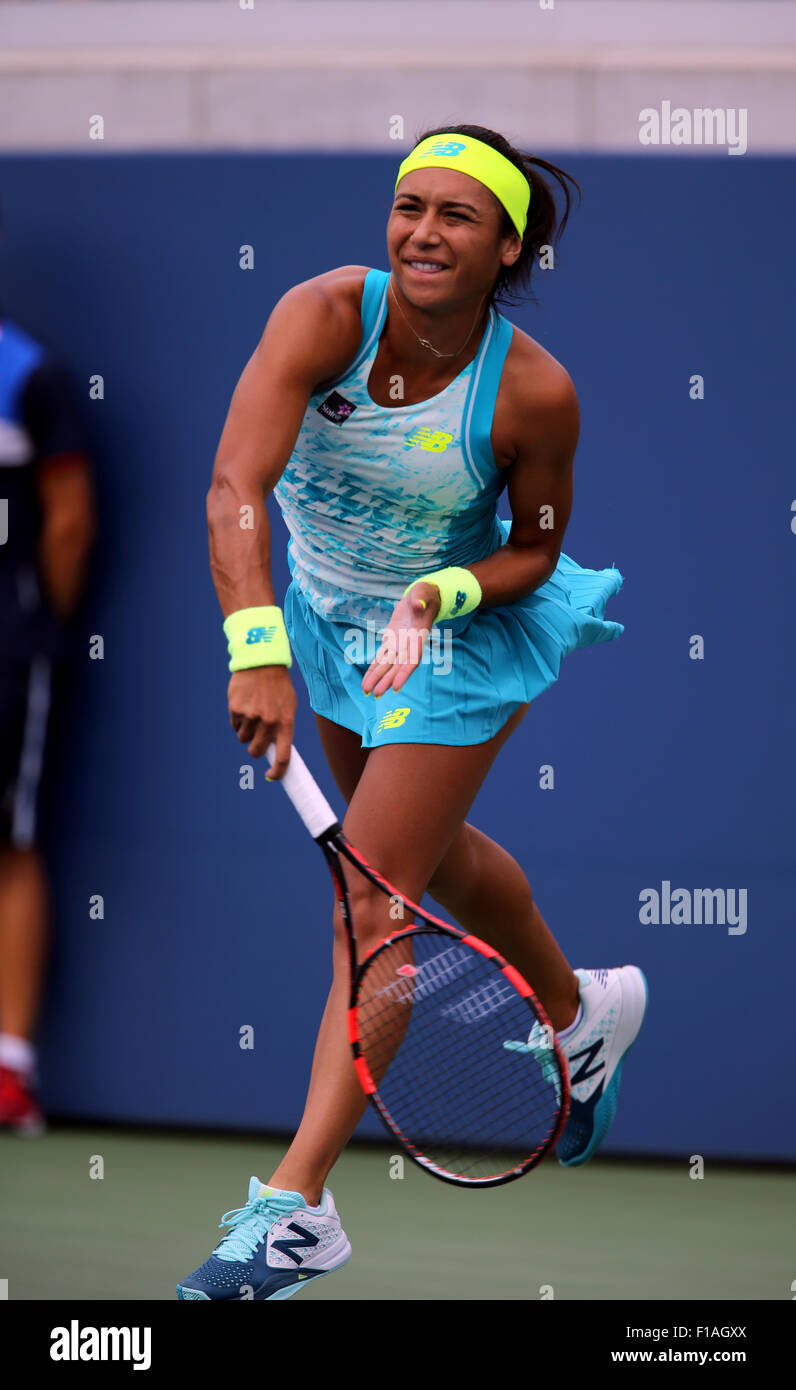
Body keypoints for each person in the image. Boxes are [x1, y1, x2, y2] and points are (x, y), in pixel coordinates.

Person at [177, 125, 647, 1301]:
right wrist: (260, 646)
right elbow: (235, 487)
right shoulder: (323, 317)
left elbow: (535, 552)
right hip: (327, 629)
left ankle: (296, 1209)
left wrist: (438, 592)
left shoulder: (534, 391)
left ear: (508, 247)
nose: (423, 232)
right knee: (428, 869)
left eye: (456, 217)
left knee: (369, 905)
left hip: (449, 640)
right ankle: (578, 1007)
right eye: (408, 206)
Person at [0, 203, 96, 1134]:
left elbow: (69, 520)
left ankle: (9, 1068)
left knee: (10, 841)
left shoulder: (28, 375)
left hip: (8, 649)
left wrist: (31, 623)